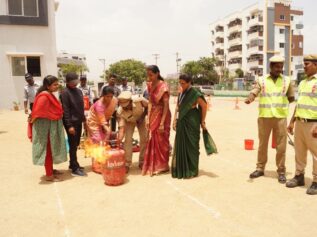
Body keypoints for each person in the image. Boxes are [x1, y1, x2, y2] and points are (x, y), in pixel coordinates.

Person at [245, 55, 295, 183]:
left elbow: (291, 97)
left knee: (281, 146)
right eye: (277, 67)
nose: (280, 69)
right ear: (271, 67)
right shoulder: (261, 80)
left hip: (280, 117)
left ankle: (281, 171)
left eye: (281, 67)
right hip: (264, 117)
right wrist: (250, 98)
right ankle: (260, 168)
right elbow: (255, 90)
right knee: (262, 144)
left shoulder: (287, 80)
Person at [286, 55, 317, 195]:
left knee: (316, 154)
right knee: (299, 151)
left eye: (307, 64)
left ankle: (316, 181)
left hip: (313, 124)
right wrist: (292, 121)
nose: (304, 66)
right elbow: (298, 105)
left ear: (315, 65)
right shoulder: (303, 83)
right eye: (304, 64)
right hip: (300, 122)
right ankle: (299, 176)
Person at [30, 75, 67, 182]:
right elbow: (38, 112)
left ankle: (51, 169)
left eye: (57, 83)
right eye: (55, 84)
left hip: (51, 127)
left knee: (52, 149)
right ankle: (49, 175)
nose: (57, 86)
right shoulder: (44, 96)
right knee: (48, 151)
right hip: (45, 129)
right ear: (48, 86)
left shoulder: (49, 94)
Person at [171, 74, 207, 179]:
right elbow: (178, 107)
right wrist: (174, 119)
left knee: (192, 145)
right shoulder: (180, 92)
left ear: (189, 82)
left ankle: (192, 170)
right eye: (180, 83)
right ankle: (182, 168)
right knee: (181, 144)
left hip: (192, 121)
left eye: (183, 83)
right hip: (181, 121)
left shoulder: (195, 93)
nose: (181, 85)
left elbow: (204, 106)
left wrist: (202, 121)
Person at [142, 65, 171, 176]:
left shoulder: (164, 87)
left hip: (163, 115)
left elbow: (166, 106)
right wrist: (148, 117)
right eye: (148, 75)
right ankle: (153, 165)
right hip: (153, 114)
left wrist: (162, 123)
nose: (149, 77)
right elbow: (149, 102)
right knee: (151, 139)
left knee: (162, 140)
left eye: (151, 75)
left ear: (157, 73)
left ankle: (162, 166)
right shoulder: (149, 85)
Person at [60, 72, 87, 177]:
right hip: (71, 123)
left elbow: (81, 107)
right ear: (67, 82)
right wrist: (69, 125)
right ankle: (74, 169)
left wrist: (84, 119)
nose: (75, 83)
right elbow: (65, 110)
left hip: (79, 121)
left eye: (76, 80)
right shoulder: (65, 93)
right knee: (72, 145)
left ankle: (73, 164)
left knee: (76, 144)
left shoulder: (79, 91)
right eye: (73, 81)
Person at [117, 91, 148, 172]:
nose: (125, 108)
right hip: (129, 122)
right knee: (127, 140)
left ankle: (142, 161)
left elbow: (148, 106)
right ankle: (127, 163)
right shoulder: (120, 111)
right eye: (123, 106)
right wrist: (120, 136)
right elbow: (122, 126)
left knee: (144, 138)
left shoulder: (139, 99)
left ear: (130, 101)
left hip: (141, 119)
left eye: (126, 106)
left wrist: (142, 117)